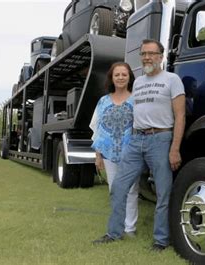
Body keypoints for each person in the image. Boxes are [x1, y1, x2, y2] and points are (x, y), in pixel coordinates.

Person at [93, 39, 186, 252]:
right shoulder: (139, 83)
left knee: (163, 192)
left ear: (161, 56)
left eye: (151, 53)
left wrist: (175, 148)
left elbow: (180, 116)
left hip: (161, 139)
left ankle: (161, 240)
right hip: (136, 140)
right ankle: (114, 233)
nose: (147, 57)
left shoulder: (172, 80)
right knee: (118, 187)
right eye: (143, 53)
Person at [89, 62, 139, 237]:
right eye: (116, 75)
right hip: (109, 153)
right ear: (111, 77)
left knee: (131, 190)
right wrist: (98, 156)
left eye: (124, 74)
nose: (120, 78)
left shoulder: (136, 100)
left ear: (129, 77)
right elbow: (98, 130)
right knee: (114, 190)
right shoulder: (103, 101)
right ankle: (118, 226)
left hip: (131, 153)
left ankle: (130, 228)